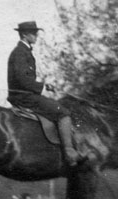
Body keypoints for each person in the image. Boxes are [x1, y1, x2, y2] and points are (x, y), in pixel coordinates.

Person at [7, 21, 81, 166]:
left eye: (36, 32)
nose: (36, 35)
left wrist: (44, 85)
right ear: (24, 34)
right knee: (63, 112)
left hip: (26, 95)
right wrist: (42, 87)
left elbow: (26, 78)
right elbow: (22, 79)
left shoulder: (24, 51)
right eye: (33, 33)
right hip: (24, 97)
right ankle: (69, 152)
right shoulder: (20, 52)